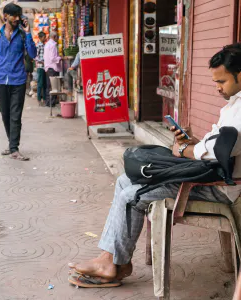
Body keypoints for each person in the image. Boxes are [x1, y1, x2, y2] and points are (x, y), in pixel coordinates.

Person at [68, 43, 241, 288]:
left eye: (221, 81)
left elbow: (217, 150)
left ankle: (112, 262)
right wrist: (193, 143)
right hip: (212, 176)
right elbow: (216, 147)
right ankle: (114, 261)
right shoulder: (234, 104)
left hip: (221, 188)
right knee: (124, 180)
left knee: (132, 195)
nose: (217, 88)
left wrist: (183, 149)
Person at [0, 3, 37, 161]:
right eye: (14, 16)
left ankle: (14, 148)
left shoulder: (23, 34)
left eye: (19, 16)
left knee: (15, 115)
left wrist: (29, 33)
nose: (17, 19)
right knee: (5, 113)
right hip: (2, 80)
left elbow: (32, 54)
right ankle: (11, 143)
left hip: (18, 80)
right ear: (5, 17)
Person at [44, 31, 62, 107]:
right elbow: (53, 58)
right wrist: (60, 58)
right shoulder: (53, 45)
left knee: (49, 85)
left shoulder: (47, 44)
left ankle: (48, 102)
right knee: (54, 86)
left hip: (48, 67)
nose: (57, 39)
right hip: (52, 67)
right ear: (54, 37)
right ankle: (51, 102)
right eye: (57, 37)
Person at [35, 31, 47, 106]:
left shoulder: (44, 45)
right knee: (40, 83)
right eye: (44, 37)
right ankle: (39, 99)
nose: (45, 38)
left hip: (45, 67)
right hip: (40, 67)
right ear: (41, 38)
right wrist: (41, 62)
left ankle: (45, 99)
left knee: (45, 84)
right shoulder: (38, 45)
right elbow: (35, 56)